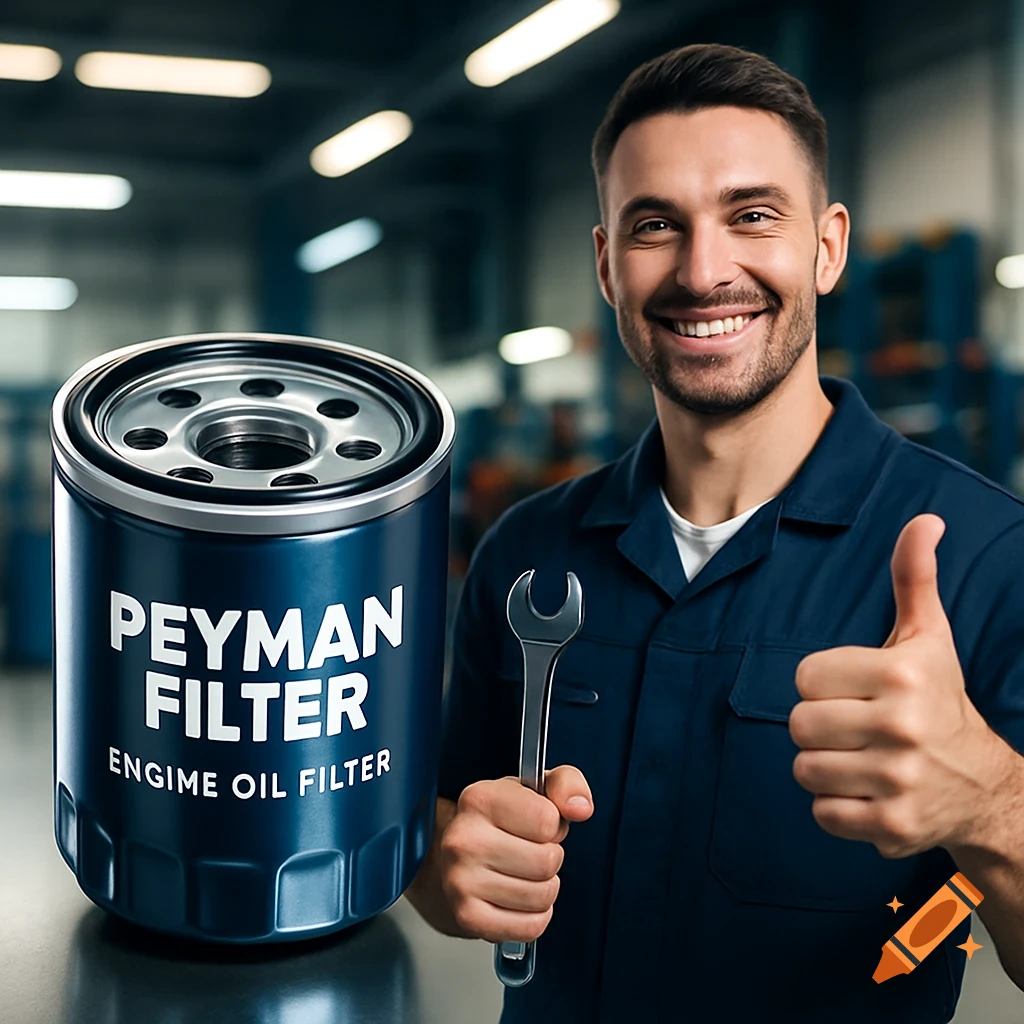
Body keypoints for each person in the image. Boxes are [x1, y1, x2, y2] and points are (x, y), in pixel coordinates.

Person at [406, 43, 1024, 1022]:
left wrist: (990, 804)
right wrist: (444, 872)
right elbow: (439, 833)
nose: (703, 270)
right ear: (607, 265)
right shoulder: (525, 557)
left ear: (825, 246)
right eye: (655, 225)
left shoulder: (988, 560)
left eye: (751, 215)